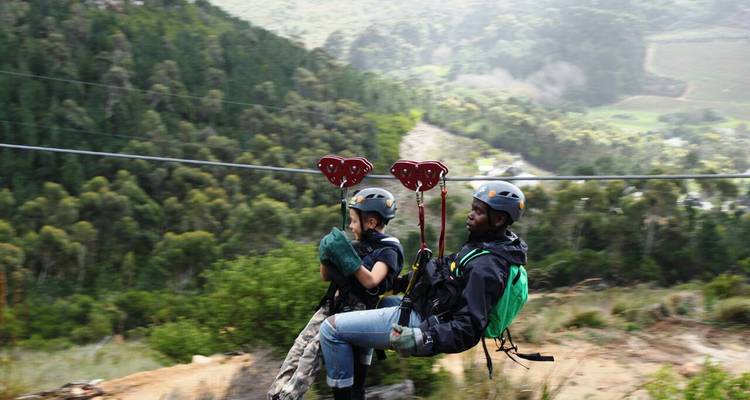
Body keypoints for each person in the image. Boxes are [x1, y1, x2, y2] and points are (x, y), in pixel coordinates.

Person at [319, 181, 528, 400]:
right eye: (472, 208)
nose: (470, 215)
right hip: (424, 309)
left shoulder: (487, 267)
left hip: (426, 325)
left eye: (478, 211)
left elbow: (469, 327)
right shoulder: (482, 246)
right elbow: (442, 279)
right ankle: (357, 393)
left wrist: (422, 337)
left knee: (331, 329)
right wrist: (394, 283)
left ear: (499, 219)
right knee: (362, 311)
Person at [268, 188, 404, 400]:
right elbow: (326, 277)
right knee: (299, 346)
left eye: (354, 221)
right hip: (333, 304)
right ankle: (276, 392)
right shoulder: (356, 246)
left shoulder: (388, 250)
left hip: (356, 312)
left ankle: (288, 396)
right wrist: (327, 256)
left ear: (371, 223)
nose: (350, 226)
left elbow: (372, 281)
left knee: (313, 350)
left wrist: (349, 260)